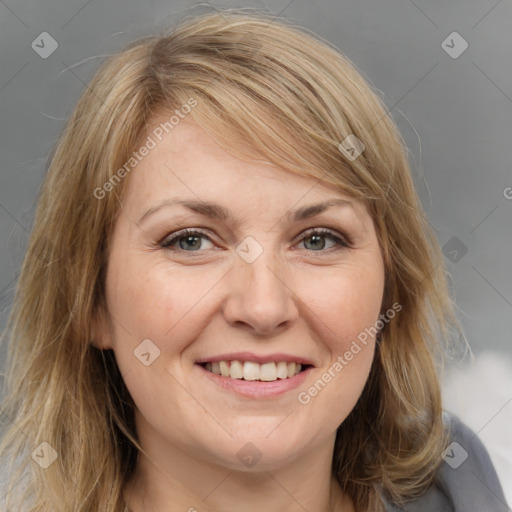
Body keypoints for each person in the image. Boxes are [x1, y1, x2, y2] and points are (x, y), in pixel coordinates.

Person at [0, 9, 508, 512]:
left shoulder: (462, 491)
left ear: (388, 286)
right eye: (191, 241)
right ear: (90, 298)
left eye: (317, 240)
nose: (263, 308)